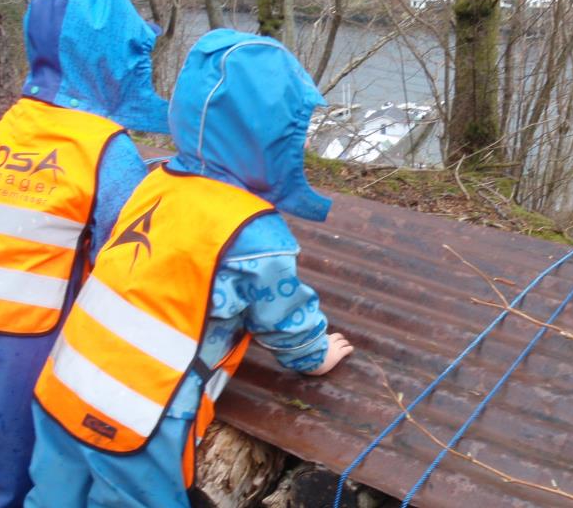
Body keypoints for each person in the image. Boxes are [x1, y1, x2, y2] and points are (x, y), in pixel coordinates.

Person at [25, 29, 354, 508]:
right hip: (139, 412)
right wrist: (312, 353)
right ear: (274, 138)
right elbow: (282, 311)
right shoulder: (254, 234)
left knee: (51, 497)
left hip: (64, 378)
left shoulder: (154, 181)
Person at [0, 0, 168, 507]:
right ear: (111, 59)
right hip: (8, 332)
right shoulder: (104, 146)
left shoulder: (11, 126)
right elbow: (125, 252)